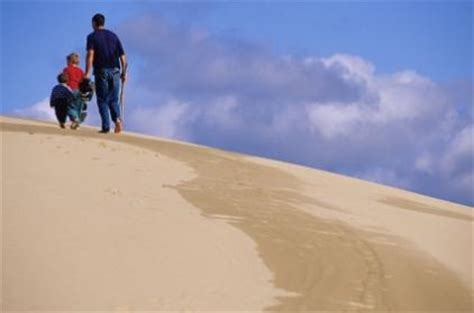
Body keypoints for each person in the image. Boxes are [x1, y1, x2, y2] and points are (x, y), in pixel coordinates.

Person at [84, 13, 127, 134]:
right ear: (103, 23)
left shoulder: (92, 37)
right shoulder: (114, 36)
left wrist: (87, 72)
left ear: (94, 23)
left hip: (101, 71)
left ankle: (106, 127)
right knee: (113, 99)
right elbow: (123, 57)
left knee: (102, 99)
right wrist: (124, 72)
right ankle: (117, 119)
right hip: (116, 71)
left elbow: (90, 55)